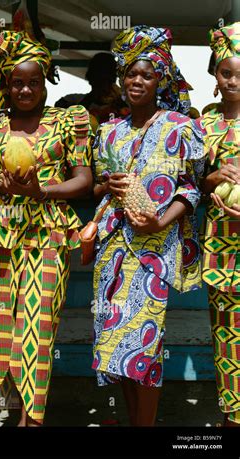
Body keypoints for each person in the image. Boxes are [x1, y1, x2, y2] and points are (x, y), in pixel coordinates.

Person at [0, 30, 93, 426]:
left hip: (48, 232)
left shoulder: (69, 121)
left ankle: (31, 419)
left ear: (46, 81)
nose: (25, 89)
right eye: (17, 82)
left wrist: (43, 191)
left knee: (38, 329)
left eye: (33, 82)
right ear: (6, 84)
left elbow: (84, 180)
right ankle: (5, 406)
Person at [90, 26, 205, 426]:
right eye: (131, 74)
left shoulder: (179, 128)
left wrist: (160, 219)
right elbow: (100, 187)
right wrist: (109, 184)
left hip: (154, 252)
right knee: (113, 343)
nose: (137, 82)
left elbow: (190, 192)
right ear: (121, 79)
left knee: (145, 346)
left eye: (147, 75)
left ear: (161, 80)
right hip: (113, 250)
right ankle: (131, 418)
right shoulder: (110, 132)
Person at [199, 22, 240, 426]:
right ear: (215, 75)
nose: (233, 81)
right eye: (226, 73)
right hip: (221, 251)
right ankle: (232, 418)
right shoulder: (205, 122)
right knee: (226, 341)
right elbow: (194, 180)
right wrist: (215, 178)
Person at [55, 52, 129, 123]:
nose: (103, 86)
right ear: (91, 79)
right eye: (99, 80)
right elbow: (58, 112)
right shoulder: (72, 100)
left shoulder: (122, 104)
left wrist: (119, 103)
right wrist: (92, 97)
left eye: (106, 80)